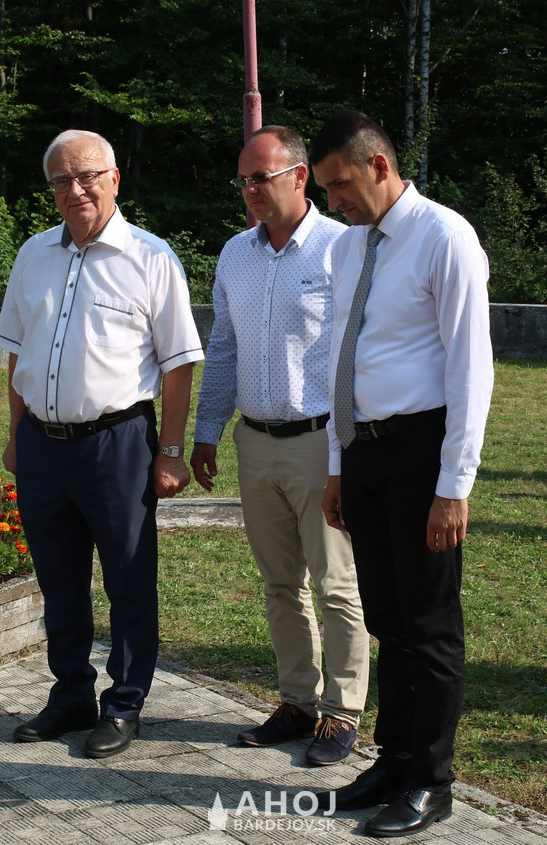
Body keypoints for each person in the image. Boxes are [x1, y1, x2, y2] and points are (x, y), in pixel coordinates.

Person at [308, 109, 494, 838]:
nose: (333, 202)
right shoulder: (349, 246)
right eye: (324, 189)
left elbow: (471, 368)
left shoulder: (445, 237)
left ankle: (431, 780)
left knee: (429, 625)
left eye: (339, 185)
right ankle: (393, 760)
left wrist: (454, 485)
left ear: (378, 165)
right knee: (387, 619)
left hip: (422, 451)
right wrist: (337, 463)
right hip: (364, 451)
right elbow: (341, 353)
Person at [0, 129, 203, 758]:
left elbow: (179, 363)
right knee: (58, 580)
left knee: (128, 580)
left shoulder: (151, 258)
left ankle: (125, 703)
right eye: (61, 180)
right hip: (42, 444)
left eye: (87, 175)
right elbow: (16, 354)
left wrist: (171, 451)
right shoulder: (33, 255)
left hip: (117, 445)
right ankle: (70, 695)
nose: (75, 189)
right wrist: (16, 435)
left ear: (114, 178)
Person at [191, 126, 370, 766]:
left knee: (336, 584)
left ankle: (343, 711)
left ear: (299, 177)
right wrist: (207, 430)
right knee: (279, 583)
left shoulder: (342, 248)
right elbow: (224, 348)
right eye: (243, 180)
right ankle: (298, 702)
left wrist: (348, 450)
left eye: (260, 177)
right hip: (255, 441)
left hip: (320, 441)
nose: (250, 190)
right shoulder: (234, 254)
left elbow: (359, 350)